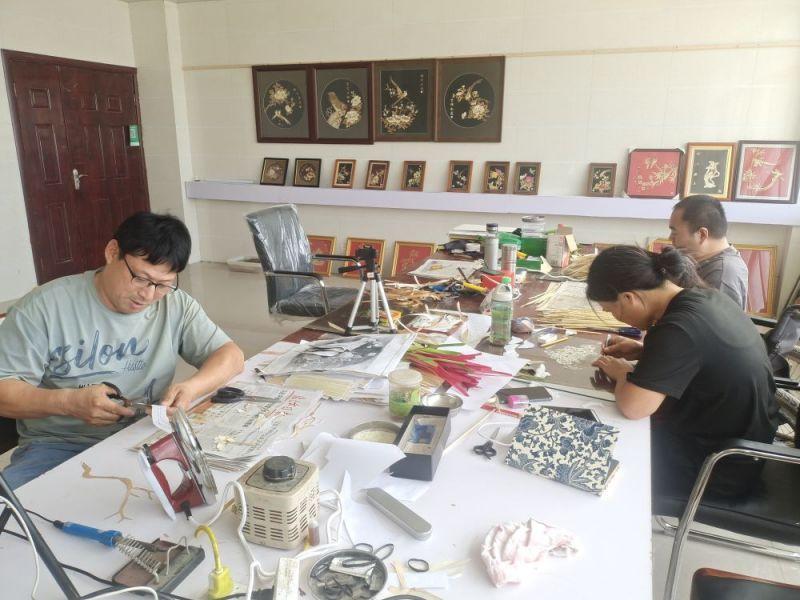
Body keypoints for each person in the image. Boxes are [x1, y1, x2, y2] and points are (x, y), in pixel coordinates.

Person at [0, 212, 245, 489]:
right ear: (112, 252)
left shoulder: (175, 304)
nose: (148, 295)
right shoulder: (43, 308)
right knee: (14, 511)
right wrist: (68, 402)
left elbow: (231, 356)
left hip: (145, 436)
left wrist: (192, 387)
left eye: (163, 285)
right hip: (59, 446)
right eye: (140, 278)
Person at [588, 245, 777, 502]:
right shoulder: (706, 297)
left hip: (715, 467)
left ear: (629, 297)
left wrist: (622, 372)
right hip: (745, 448)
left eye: (613, 311)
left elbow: (634, 407)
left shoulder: (677, 328)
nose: (618, 319)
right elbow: (704, 358)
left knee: (597, 450)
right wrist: (645, 351)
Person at [668, 194, 749, 309]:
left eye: (675, 232)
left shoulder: (722, 275)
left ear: (701, 234)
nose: (670, 238)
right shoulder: (705, 261)